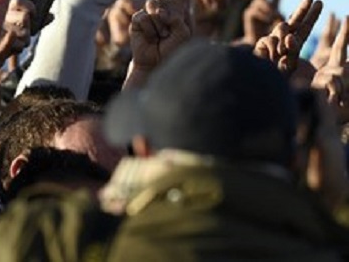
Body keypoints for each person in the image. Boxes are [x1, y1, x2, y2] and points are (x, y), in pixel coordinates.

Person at [101, 41, 349, 261]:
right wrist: (325, 210)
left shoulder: (90, 243)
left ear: (142, 145)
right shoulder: (324, 249)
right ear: (296, 161)